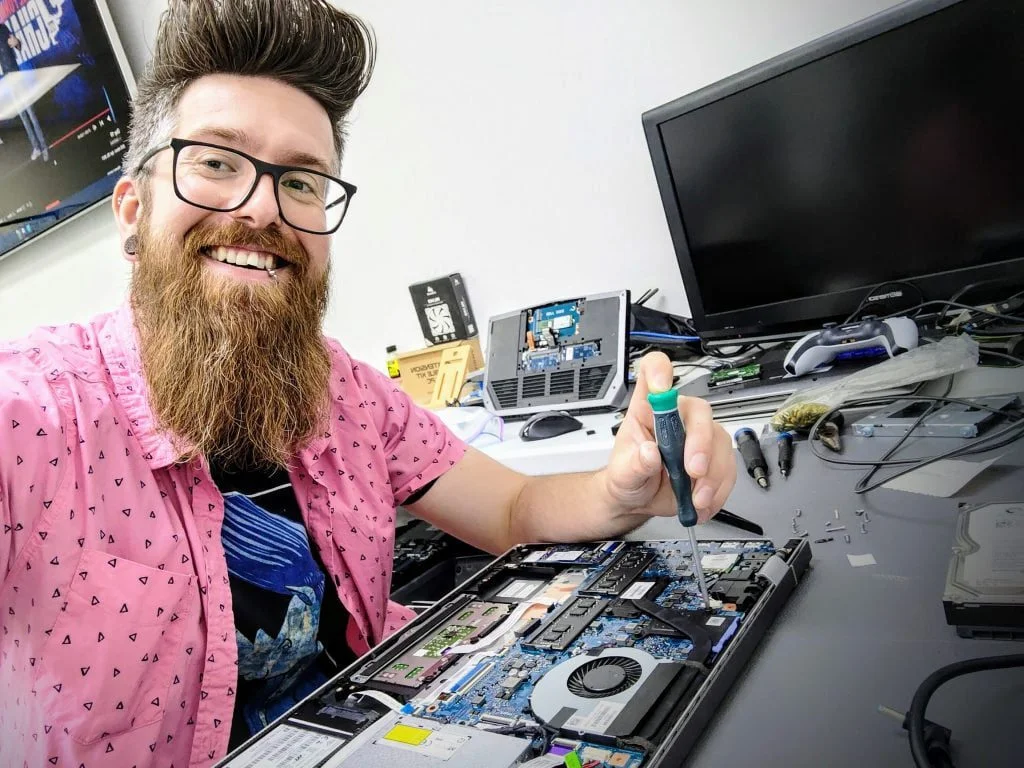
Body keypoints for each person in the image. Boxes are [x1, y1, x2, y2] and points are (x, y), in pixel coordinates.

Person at [0, 1, 736, 765]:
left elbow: (514, 509)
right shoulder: (31, 414)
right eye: (216, 162)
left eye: (303, 182)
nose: (262, 208)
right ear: (133, 207)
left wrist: (618, 488)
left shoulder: (343, 389)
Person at [0, 20, 48, 161]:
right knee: (23, 116)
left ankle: (44, 147)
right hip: (8, 79)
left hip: (17, 75)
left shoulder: (3, 28)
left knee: (30, 113)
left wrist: (17, 42)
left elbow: (18, 45)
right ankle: (36, 147)